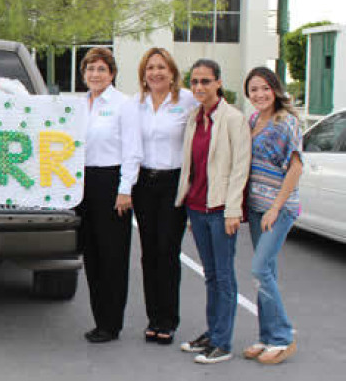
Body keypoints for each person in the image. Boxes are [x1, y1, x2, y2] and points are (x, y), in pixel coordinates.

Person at [176, 59, 250, 364]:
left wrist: (233, 210)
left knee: (224, 276)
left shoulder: (233, 119)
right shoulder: (194, 117)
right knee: (210, 276)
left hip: (221, 209)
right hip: (196, 207)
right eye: (194, 81)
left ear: (218, 83)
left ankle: (223, 342)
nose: (199, 87)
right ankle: (212, 333)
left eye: (205, 81)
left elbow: (240, 168)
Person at [132, 48, 198, 345]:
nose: (155, 73)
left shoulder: (187, 101)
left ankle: (168, 320)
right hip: (144, 182)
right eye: (150, 68)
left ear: (172, 72)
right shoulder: (137, 104)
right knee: (149, 252)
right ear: (143, 74)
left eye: (161, 67)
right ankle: (153, 318)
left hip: (174, 182)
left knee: (168, 250)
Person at [78, 47, 142, 343]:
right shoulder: (79, 105)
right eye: (90, 69)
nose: (95, 74)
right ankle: (99, 319)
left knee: (112, 256)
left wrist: (125, 189)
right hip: (83, 184)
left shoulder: (123, 104)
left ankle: (111, 323)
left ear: (112, 73)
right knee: (91, 254)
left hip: (112, 183)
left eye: (101, 69)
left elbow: (133, 150)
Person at [242, 67, 302, 365]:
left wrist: (276, 207)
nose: (260, 94)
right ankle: (266, 336)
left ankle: (283, 336)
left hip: (278, 208)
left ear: (275, 90)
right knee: (267, 272)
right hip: (256, 207)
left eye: (265, 88)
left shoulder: (286, 122)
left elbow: (295, 167)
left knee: (259, 269)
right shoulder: (254, 120)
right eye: (254, 89)